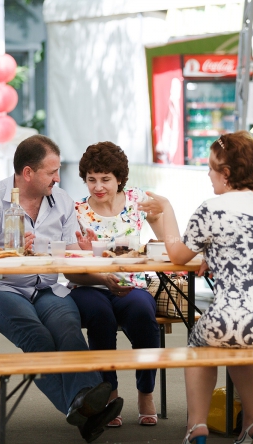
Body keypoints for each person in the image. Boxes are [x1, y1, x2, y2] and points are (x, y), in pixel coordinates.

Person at [139, 131, 253, 444]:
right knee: (241, 344)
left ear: (227, 173)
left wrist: (167, 211)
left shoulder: (212, 208)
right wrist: (213, 253)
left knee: (200, 342)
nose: (208, 174)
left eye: (211, 167)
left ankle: (196, 426)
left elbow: (178, 255)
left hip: (237, 319)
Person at [0, 135, 123, 443]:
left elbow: (70, 256)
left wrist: (86, 253)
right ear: (27, 173)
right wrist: (8, 254)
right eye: (51, 172)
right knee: (37, 336)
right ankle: (83, 407)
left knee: (68, 327)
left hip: (46, 287)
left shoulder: (60, 199)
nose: (57, 178)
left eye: (57, 170)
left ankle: (84, 403)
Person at [71, 141, 164, 428]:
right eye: (92, 179)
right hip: (90, 285)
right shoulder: (77, 210)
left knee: (142, 314)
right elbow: (73, 267)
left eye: (106, 179)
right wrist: (87, 256)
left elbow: (165, 240)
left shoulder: (138, 200)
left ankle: (145, 392)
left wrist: (159, 230)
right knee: (100, 316)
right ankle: (108, 391)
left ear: (120, 178)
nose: (98, 186)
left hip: (131, 284)